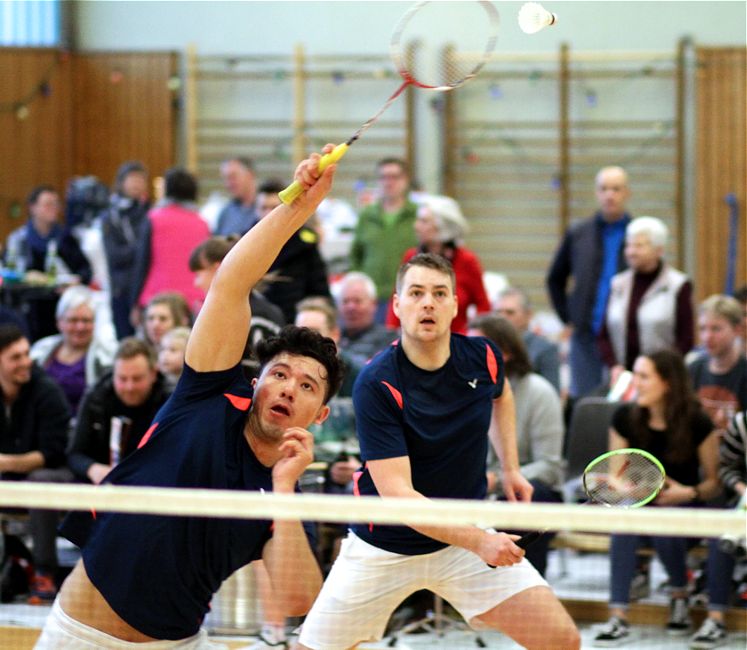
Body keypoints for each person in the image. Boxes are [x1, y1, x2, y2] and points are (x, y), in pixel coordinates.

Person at [34, 147, 344, 648]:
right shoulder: (208, 394)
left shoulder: (282, 495)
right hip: (81, 635)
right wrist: (300, 207)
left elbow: (296, 600)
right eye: (279, 374)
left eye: (306, 386)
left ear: (320, 414)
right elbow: (231, 283)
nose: (288, 387)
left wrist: (286, 488)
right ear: (256, 380)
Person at [298, 253, 579, 650]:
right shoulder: (377, 382)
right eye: (416, 293)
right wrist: (480, 542)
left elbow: (502, 395)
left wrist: (512, 468)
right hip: (385, 546)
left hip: (461, 544)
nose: (427, 302)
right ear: (396, 306)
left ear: (454, 305)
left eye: (438, 293)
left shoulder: (482, 357)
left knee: (561, 640)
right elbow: (399, 498)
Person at [593, 349, 721, 646]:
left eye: (644, 376)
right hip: (640, 508)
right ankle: (618, 617)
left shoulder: (698, 422)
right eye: (634, 374)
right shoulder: (624, 417)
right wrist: (624, 489)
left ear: (668, 383)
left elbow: (714, 484)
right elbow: (616, 476)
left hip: (687, 512)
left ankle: (679, 594)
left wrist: (687, 492)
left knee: (666, 521)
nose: (635, 382)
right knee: (626, 521)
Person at [467, 314, 564, 576]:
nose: (468, 354)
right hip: (476, 490)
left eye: (479, 347)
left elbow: (550, 467)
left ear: (505, 354)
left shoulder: (539, 392)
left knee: (528, 499)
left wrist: (497, 480)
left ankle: (525, 588)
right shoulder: (463, 392)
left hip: (529, 492)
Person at [546, 166, 632, 399]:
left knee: (622, 403)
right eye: (604, 189)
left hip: (624, 338)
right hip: (586, 335)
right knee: (586, 402)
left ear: (627, 193)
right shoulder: (579, 233)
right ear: (597, 193)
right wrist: (568, 317)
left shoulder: (637, 235)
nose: (609, 195)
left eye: (616, 189)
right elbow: (555, 279)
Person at [0, 324, 71, 604]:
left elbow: (52, 453)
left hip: (56, 476)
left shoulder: (47, 391)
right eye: (15, 357)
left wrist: (5, 462)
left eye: (26, 354)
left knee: (40, 481)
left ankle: (44, 571)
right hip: (9, 479)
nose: (25, 362)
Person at [598, 216, 694, 381]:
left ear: (659, 250)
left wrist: (663, 371)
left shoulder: (678, 285)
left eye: (639, 246)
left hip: (663, 377)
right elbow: (603, 334)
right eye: (629, 245)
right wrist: (613, 365)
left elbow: (686, 338)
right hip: (621, 377)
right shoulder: (617, 283)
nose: (631, 252)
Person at [67, 337, 171, 485]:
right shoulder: (97, 397)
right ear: (113, 374)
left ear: (153, 374)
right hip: (104, 483)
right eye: (122, 379)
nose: (130, 387)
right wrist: (92, 469)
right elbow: (75, 453)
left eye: (137, 379)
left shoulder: (169, 402)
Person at [385, 194, 491, 334]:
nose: (416, 226)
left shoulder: (467, 261)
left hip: (456, 342)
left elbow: (483, 307)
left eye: (424, 221)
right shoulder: (410, 256)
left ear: (442, 227)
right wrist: (391, 334)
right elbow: (397, 299)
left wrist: (470, 337)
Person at [189, 236, 285, 379]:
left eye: (198, 274)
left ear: (217, 268)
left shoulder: (255, 313)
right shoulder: (247, 308)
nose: (196, 283)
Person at [5, 185, 93, 341]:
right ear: (33, 208)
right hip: (27, 308)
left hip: (59, 307)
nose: (53, 209)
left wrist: (75, 282)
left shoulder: (65, 238)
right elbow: (6, 273)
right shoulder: (18, 239)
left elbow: (85, 271)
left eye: (56, 204)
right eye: (47, 204)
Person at [689, 410, 746, 649]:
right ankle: (715, 619)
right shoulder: (742, 423)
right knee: (721, 538)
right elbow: (726, 468)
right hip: (743, 503)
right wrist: (743, 489)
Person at [132, 167, 210, 315]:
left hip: (157, 299)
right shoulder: (203, 223)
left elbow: (142, 263)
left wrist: (134, 303)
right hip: (194, 301)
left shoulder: (153, 218)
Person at [30, 285, 117, 416]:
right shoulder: (40, 350)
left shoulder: (107, 356)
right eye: (73, 320)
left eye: (86, 320)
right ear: (59, 322)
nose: (80, 327)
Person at [350, 157, 418, 322]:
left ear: (406, 180)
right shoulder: (367, 216)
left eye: (394, 177)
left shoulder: (418, 215)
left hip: (408, 296)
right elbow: (356, 255)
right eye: (384, 177)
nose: (389, 182)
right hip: (373, 298)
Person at [255, 179, 331, 323]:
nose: (267, 214)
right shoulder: (245, 242)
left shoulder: (304, 244)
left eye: (273, 208)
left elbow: (319, 289)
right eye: (263, 208)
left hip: (295, 319)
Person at [101, 161, 150, 339]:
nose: (137, 183)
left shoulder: (151, 213)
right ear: (121, 182)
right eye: (132, 179)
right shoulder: (111, 216)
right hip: (122, 288)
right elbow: (114, 255)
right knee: (124, 340)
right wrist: (142, 249)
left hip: (147, 287)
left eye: (141, 179)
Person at [688, 294, 747, 431]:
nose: (707, 336)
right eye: (702, 328)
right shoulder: (692, 369)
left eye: (716, 329)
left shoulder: (744, 374)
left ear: (737, 329)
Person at [495, 287, 561, 393]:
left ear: (528, 315)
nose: (502, 317)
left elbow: (552, 394)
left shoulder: (545, 349)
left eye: (510, 312)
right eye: (498, 312)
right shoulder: (486, 346)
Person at [335, 271, 398, 367]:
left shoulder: (389, 340)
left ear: (374, 304)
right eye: (345, 301)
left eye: (357, 301)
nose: (351, 307)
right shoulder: (333, 337)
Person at [213, 156, 258, 237]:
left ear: (250, 175)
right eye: (225, 178)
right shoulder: (226, 214)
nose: (228, 184)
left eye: (233, 177)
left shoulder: (267, 207)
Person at [158, 326, 190, 391]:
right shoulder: (156, 383)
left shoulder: (191, 386)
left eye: (173, 350)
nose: (165, 355)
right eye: (162, 349)